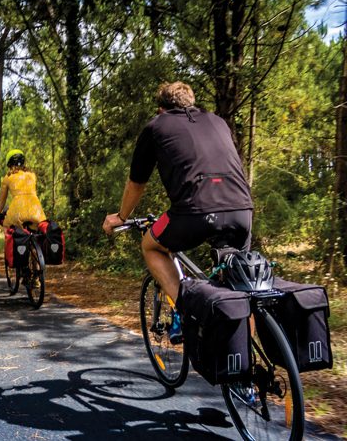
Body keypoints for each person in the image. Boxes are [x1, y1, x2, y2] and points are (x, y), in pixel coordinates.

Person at [102, 81, 253, 343]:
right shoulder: (218, 121)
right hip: (242, 209)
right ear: (190, 103)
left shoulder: (156, 126)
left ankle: (185, 313)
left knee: (151, 245)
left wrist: (121, 217)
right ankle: (246, 361)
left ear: (161, 109)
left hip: (194, 212)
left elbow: (137, 183)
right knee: (241, 283)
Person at [0, 149, 47, 230]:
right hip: (36, 212)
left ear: (9, 164)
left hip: (17, 211)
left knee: (7, 226)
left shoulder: (8, 177)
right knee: (37, 232)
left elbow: (2, 200)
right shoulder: (32, 175)